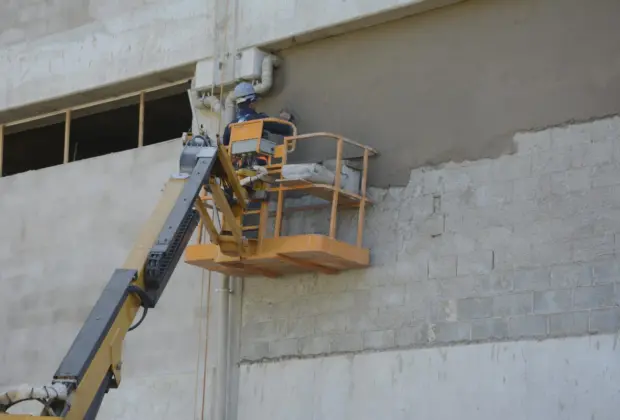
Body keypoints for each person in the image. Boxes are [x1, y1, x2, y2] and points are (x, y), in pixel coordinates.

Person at [222, 82, 295, 148]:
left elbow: (225, 147)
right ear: (251, 104)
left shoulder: (230, 127)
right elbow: (285, 129)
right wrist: (288, 120)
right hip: (258, 160)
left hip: (236, 162)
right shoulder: (260, 119)